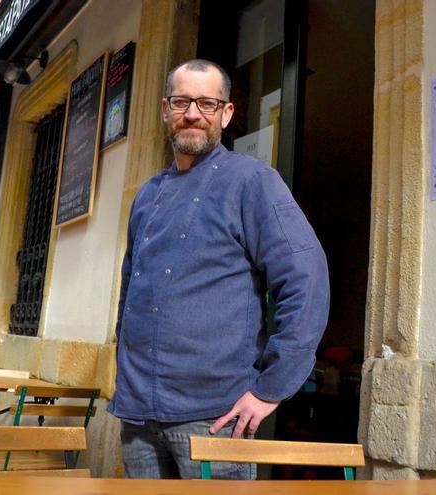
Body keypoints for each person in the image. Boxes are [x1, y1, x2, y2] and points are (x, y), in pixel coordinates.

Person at [108, 59, 330, 480]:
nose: (193, 113)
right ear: (165, 109)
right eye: (181, 101)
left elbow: (306, 279)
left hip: (213, 418)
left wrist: (271, 389)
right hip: (137, 415)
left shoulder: (252, 181)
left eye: (207, 103)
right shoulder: (146, 196)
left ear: (226, 114)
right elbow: (129, 289)